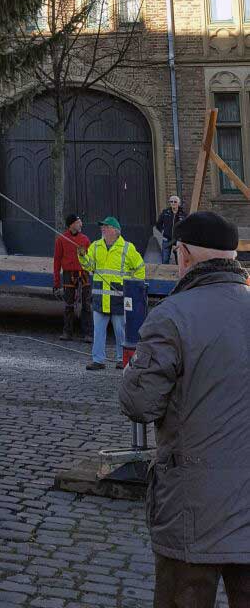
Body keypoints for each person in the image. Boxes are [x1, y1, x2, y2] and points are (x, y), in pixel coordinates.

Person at [119, 211, 250, 608]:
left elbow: (139, 404)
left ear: (185, 256)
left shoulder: (171, 317)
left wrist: (132, 373)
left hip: (192, 509)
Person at [78, 216, 145, 371]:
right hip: (100, 297)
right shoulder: (95, 246)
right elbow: (89, 266)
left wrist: (132, 287)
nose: (103, 229)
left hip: (118, 298)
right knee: (98, 332)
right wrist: (82, 256)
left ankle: (122, 359)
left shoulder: (127, 248)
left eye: (106, 227)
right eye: (102, 227)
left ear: (115, 231)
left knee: (121, 332)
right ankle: (98, 360)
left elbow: (140, 269)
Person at [53, 213, 92, 341]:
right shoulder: (61, 240)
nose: (81, 224)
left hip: (84, 274)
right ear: (71, 225)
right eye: (78, 222)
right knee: (68, 304)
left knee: (86, 304)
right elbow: (57, 261)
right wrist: (56, 282)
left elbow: (91, 259)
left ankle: (87, 333)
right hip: (69, 274)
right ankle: (67, 332)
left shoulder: (85, 240)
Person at [155, 195, 185, 265]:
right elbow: (158, 224)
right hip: (167, 239)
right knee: (165, 260)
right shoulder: (165, 212)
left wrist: (181, 238)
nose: (173, 203)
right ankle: (164, 275)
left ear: (178, 203)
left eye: (175, 202)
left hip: (177, 240)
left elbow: (185, 227)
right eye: (171, 201)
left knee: (179, 261)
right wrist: (163, 232)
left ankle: (178, 275)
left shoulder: (183, 214)